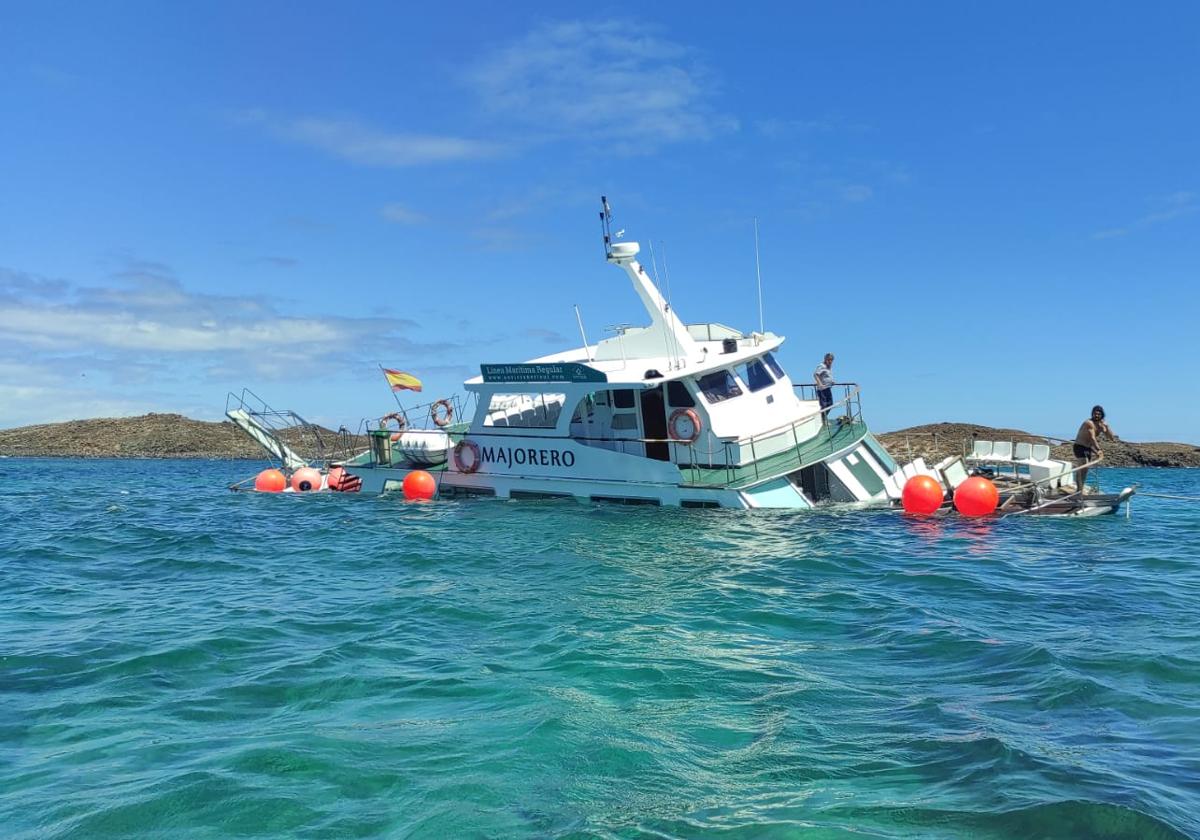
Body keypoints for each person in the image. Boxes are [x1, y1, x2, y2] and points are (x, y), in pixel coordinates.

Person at [1071, 404, 1117, 494]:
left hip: (1088, 448)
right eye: (1095, 413)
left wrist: (1107, 427)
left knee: (1085, 469)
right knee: (1083, 466)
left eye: (1099, 414)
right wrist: (1099, 450)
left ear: (1102, 415)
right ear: (1092, 414)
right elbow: (1092, 438)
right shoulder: (1089, 423)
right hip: (1079, 446)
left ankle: (1080, 488)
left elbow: (1111, 438)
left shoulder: (1101, 424)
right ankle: (1079, 491)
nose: (1096, 415)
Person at [813, 353, 835, 421]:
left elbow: (826, 376)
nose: (830, 361)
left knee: (830, 404)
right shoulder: (822, 366)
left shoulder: (828, 367)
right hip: (822, 389)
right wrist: (820, 384)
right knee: (824, 405)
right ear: (825, 359)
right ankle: (822, 420)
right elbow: (815, 374)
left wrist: (832, 381)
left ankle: (823, 418)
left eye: (831, 360)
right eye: (828, 360)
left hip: (828, 388)